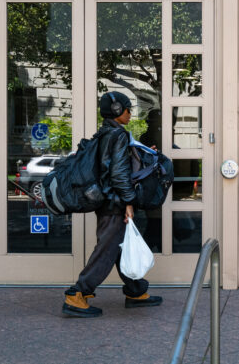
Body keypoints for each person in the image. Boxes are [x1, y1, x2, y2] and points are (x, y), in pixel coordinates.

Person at [62, 91, 163, 317]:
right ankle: (77, 294)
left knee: (119, 245)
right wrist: (128, 202)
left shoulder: (105, 133)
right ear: (118, 111)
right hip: (114, 202)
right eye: (128, 109)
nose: (130, 113)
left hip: (107, 200)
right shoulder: (118, 135)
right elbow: (119, 173)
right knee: (107, 249)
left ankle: (136, 291)